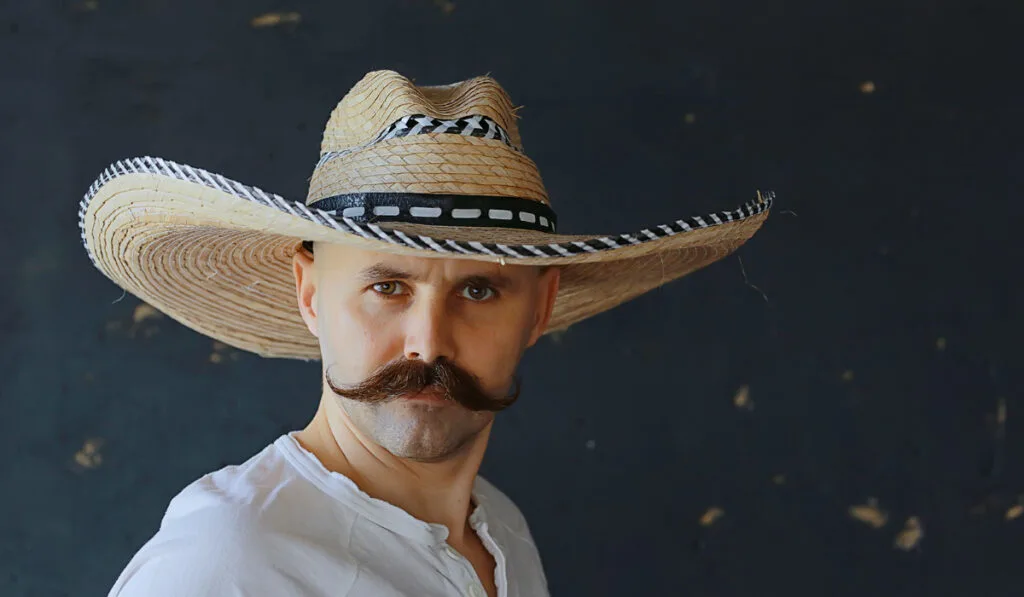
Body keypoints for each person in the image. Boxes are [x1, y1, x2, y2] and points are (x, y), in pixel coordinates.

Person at [79, 69, 772, 597]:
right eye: (388, 287)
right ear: (311, 292)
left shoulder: (502, 534)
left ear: (539, 307)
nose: (428, 342)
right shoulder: (229, 562)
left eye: (478, 289)